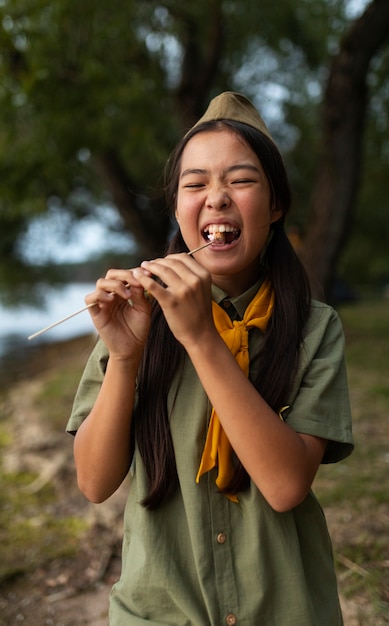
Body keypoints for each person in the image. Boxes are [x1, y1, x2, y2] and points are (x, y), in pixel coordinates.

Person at [67, 91, 354, 625]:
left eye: (240, 181)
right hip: (157, 612)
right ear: (178, 208)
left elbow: (287, 485)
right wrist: (125, 356)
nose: (217, 198)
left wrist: (200, 338)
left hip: (285, 610)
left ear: (276, 206)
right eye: (195, 184)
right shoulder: (134, 318)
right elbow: (94, 482)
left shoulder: (315, 327)